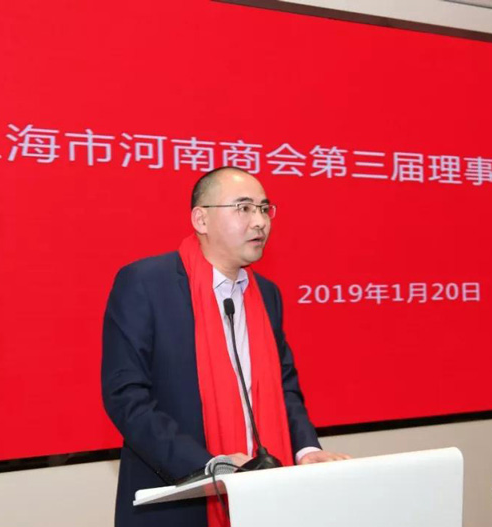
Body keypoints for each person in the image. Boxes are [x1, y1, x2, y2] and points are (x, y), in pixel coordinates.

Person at [102, 167, 349, 527]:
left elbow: (285, 386)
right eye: (243, 208)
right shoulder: (146, 284)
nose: (260, 221)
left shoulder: (266, 295)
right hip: (177, 501)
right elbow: (126, 398)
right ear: (201, 219)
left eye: (264, 208)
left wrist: (305, 449)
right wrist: (207, 467)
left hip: (263, 494)